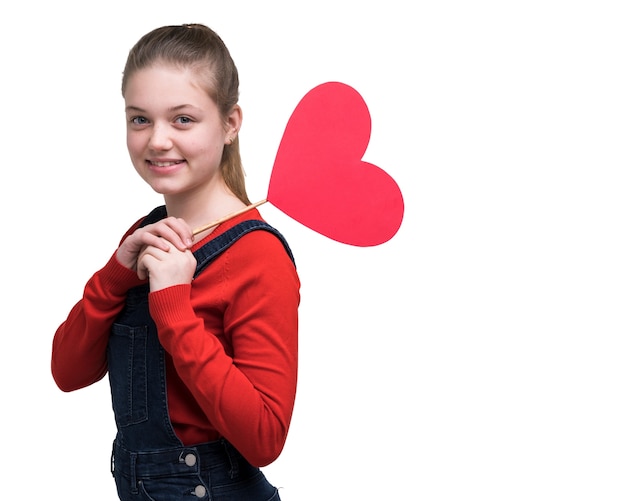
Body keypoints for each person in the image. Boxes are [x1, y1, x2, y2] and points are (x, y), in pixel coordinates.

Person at [51, 23, 300, 501]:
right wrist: (113, 278)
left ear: (230, 124)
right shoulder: (144, 236)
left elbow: (266, 436)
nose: (157, 141)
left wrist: (173, 309)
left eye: (183, 119)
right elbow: (68, 372)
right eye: (140, 119)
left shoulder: (258, 255)